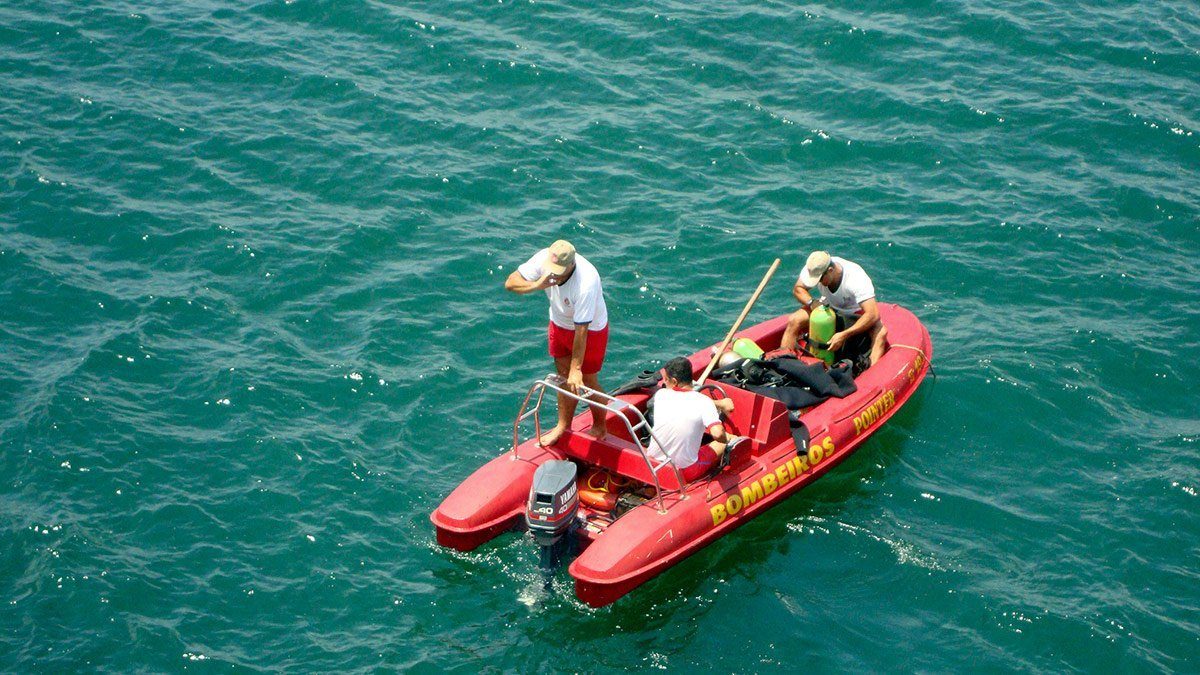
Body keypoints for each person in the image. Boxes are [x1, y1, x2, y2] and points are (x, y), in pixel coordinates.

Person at [505, 240, 609, 446]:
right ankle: (563, 426)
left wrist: (576, 369)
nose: (554, 274)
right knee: (563, 377)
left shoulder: (586, 282)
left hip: (590, 330)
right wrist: (536, 285)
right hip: (559, 323)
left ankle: (600, 426)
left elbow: (582, 330)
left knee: (587, 381)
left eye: (559, 271)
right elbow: (510, 283)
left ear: (571, 264)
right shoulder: (543, 259)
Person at [780, 250, 888, 366]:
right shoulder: (814, 267)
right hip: (828, 308)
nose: (817, 283)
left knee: (880, 333)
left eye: (820, 280)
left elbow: (872, 314)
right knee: (794, 320)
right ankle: (782, 362)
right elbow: (798, 289)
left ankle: (871, 371)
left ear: (830, 270)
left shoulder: (856, 278)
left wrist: (844, 335)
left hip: (854, 314)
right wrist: (812, 303)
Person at [647, 357, 738, 482]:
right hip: (685, 472)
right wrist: (725, 439)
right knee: (732, 439)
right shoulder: (704, 402)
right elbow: (717, 434)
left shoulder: (661, 395)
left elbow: (686, 401)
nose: (664, 383)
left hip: (653, 465)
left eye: (666, 379)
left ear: (674, 381)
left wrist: (719, 404)